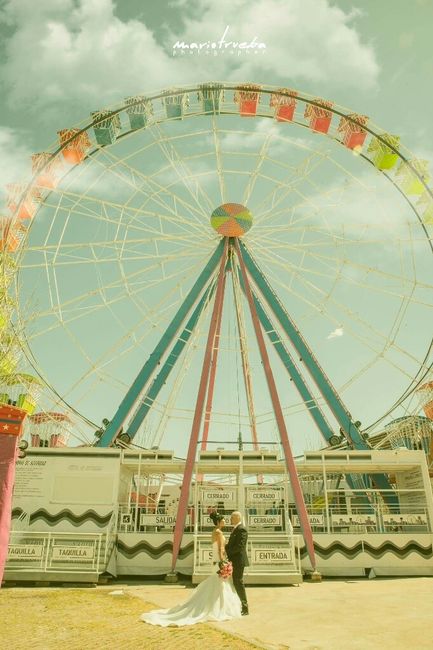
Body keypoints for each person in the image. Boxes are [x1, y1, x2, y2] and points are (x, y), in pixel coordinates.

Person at [140, 512, 241, 627]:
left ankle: (216, 605)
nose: (224, 521)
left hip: (215, 560)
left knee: (218, 583)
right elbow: (221, 548)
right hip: (218, 560)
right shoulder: (218, 532)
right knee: (219, 583)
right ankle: (218, 607)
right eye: (223, 519)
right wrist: (223, 562)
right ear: (218, 522)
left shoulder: (214, 531)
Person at [225, 511, 249, 616]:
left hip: (238, 560)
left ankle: (245, 607)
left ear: (237, 518)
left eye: (232, 517)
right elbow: (232, 545)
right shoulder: (235, 529)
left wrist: (228, 552)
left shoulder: (241, 529)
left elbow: (240, 546)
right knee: (235, 582)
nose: (230, 519)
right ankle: (238, 605)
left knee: (238, 582)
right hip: (233, 559)